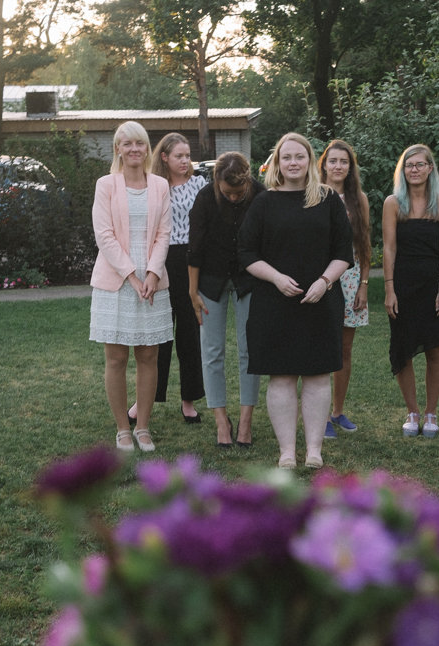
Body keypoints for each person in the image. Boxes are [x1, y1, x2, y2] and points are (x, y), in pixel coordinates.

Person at [238, 132, 353, 469]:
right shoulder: (263, 202)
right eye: (286, 157)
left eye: (299, 157)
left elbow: (343, 252)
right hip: (274, 303)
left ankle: (314, 450)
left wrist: (324, 281)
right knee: (282, 377)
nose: (293, 163)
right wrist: (275, 277)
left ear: (309, 161)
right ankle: (287, 451)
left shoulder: (328, 199)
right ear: (277, 162)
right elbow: (246, 252)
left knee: (318, 375)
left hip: (321, 300)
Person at [89, 121, 173, 452]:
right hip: (117, 281)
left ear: (147, 148)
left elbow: (164, 233)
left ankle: (143, 427)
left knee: (149, 355)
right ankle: (123, 429)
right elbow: (104, 235)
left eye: (139, 143)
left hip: (153, 281)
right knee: (116, 358)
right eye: (127, 144)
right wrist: (133, 276)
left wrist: (152, 273)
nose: (134, 149)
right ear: (118, 150)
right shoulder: (106, 185)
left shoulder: (160, 186)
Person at [188, 152, 265, 448]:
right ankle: (222, 420)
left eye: (238, 192)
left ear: (247, 181)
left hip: (249, 280)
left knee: (249, 350)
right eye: (227, 192)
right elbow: (194, 249)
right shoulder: (205, 199)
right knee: (212, 350)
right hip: (209, 281)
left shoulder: (260, 195)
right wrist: (192, 291)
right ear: (216, 181)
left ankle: (245, 420)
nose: (233, 197)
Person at [129, 132, 206, 426]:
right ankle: (144, 400)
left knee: (189, 334)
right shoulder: (154, 186)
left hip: (191, 264)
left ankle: (188, 401)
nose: (185, 161)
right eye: (179, 156)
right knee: (157, 335)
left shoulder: (200, 185)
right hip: (160, 262)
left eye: (188, 156)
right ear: (165, 157)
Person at [382, 144, 439, 438]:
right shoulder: (393, 203)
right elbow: (388, 247)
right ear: (403, 170)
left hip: (435, 284)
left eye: (420, 164)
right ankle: (412, 412)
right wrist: (389, 289)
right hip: (403, 285)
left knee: (436, 349)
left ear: (430, 168)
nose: (414, 169)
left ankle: (431, 413)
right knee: (403, 350)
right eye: (409, 165)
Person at [318, 140, 371, 440]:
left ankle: (338, 411)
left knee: (344, 350)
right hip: (321, 278)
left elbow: (364, 244)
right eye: (333, 161)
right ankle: (321, 415)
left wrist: (364, 284)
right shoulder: (313, 194)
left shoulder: (357, 198)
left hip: (351, 280)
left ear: (350, 167)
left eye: (344, 162)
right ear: (324, 164)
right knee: (323, 347)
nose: (338, 166)